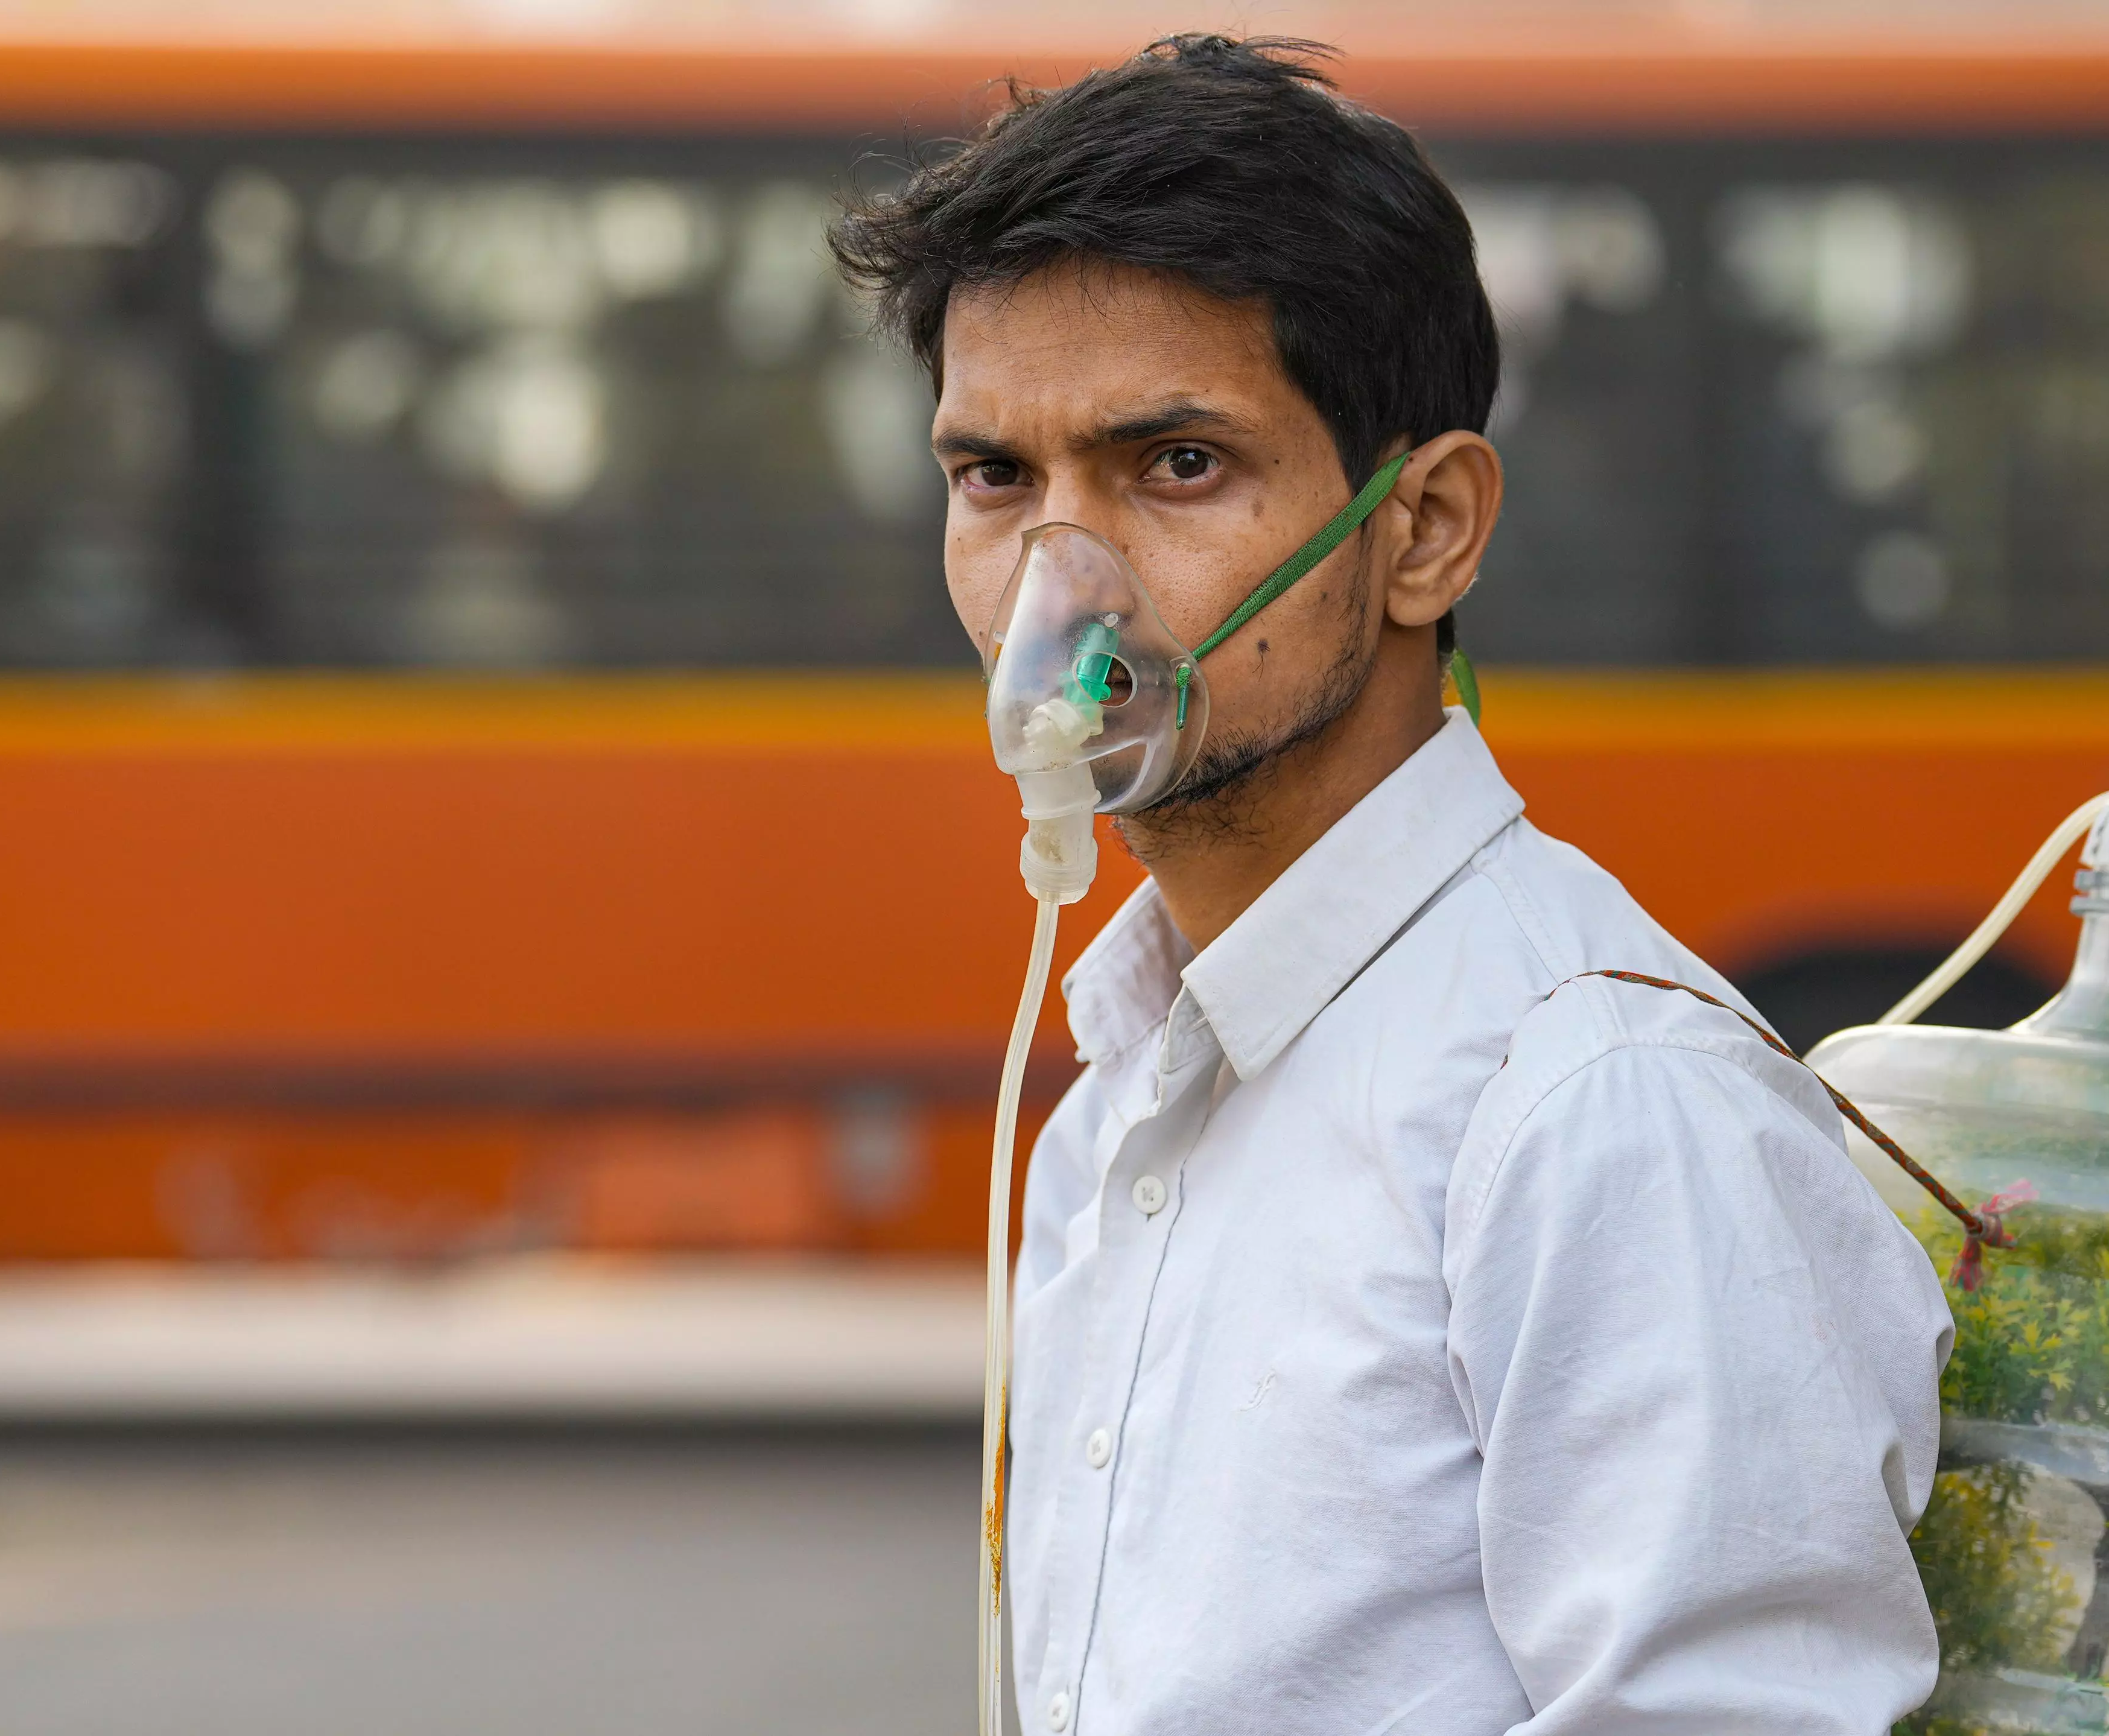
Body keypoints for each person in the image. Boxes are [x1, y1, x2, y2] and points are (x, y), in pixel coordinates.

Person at [834, 36, 1954, 1736]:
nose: (1063, 587)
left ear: (1424, 527)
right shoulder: (1109, 1115)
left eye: (1178, 464)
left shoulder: (1599, 1106)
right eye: (996, 476)